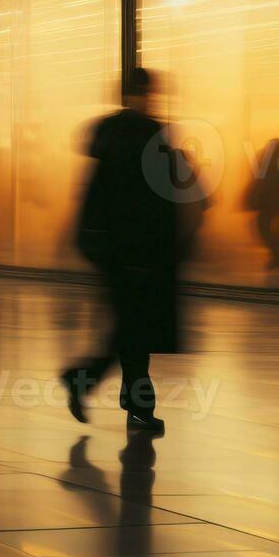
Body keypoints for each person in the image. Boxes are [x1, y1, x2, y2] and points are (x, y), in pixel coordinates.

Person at [61, 68, 192, 435]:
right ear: (142, 94)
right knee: (132, 329)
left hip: (111, 247)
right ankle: (87, 382)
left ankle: (134, 404)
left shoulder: (109, 135)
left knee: (131, 327)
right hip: (139, 248)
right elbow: (161, 198)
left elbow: (94, 193)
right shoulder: (149, 136)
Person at [244, 138, 279, 270]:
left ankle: (278, 254)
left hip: (269, 202)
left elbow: (262, 183)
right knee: (278, 228)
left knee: (263, 228)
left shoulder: (269, 162)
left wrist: (254, 198)